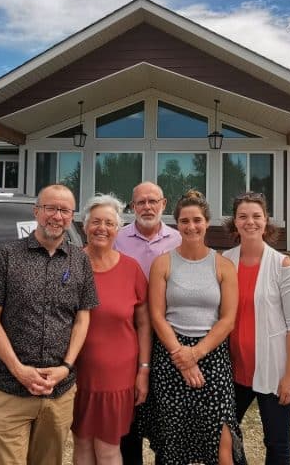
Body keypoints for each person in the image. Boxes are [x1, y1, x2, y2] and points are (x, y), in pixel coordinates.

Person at [0, 184, 99, 465]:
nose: (56, 216)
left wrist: (66, 366)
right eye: (50, 208)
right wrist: (18, 370)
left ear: (72, 216)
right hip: (10, 388)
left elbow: (82, 317)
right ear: (36, 212)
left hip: (59, 390)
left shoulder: (80, 260)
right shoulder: (7, 256)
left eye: (64, 210)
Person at [141, 190, 246, 465]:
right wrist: (182, 357)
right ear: (177, 224)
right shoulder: (162, 263)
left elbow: (227, 320)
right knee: (172, 440)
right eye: (185, 221)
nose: (191, 227)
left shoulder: (222, 266)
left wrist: (195, 354)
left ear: (206, 222)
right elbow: (157, 315)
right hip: (170, 355)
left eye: (197, 220)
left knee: (222, 439)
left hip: (212, 355)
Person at [224, 192, 290, 465]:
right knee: (223, 435)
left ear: (266, 222)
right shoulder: (225, 261)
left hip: (275, 369)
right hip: (235, 368)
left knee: (276, 440)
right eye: (243, 216)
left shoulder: (282, 265)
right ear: (235, 223)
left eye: (256, 216)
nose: (250, 222)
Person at [72, 194, 151, 465]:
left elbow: (144, 323)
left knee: (107, 449)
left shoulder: (131, 269)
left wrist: (143, 370)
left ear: (118, 230)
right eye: (95, 222)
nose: (101, 228)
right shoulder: (70, 265)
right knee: (81, 443)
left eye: (109, 223)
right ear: (84, 226)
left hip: (118, 376)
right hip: (77, 373)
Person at [113, 181, 181, 465]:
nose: (147, 207)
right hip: (127, 332)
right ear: (132, 206)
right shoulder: (118, 238)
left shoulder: (178, 239)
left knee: (165, 409)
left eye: (153, 201)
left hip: (169, 333)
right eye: (141, 202)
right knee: (130, 411)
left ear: (163, 204)